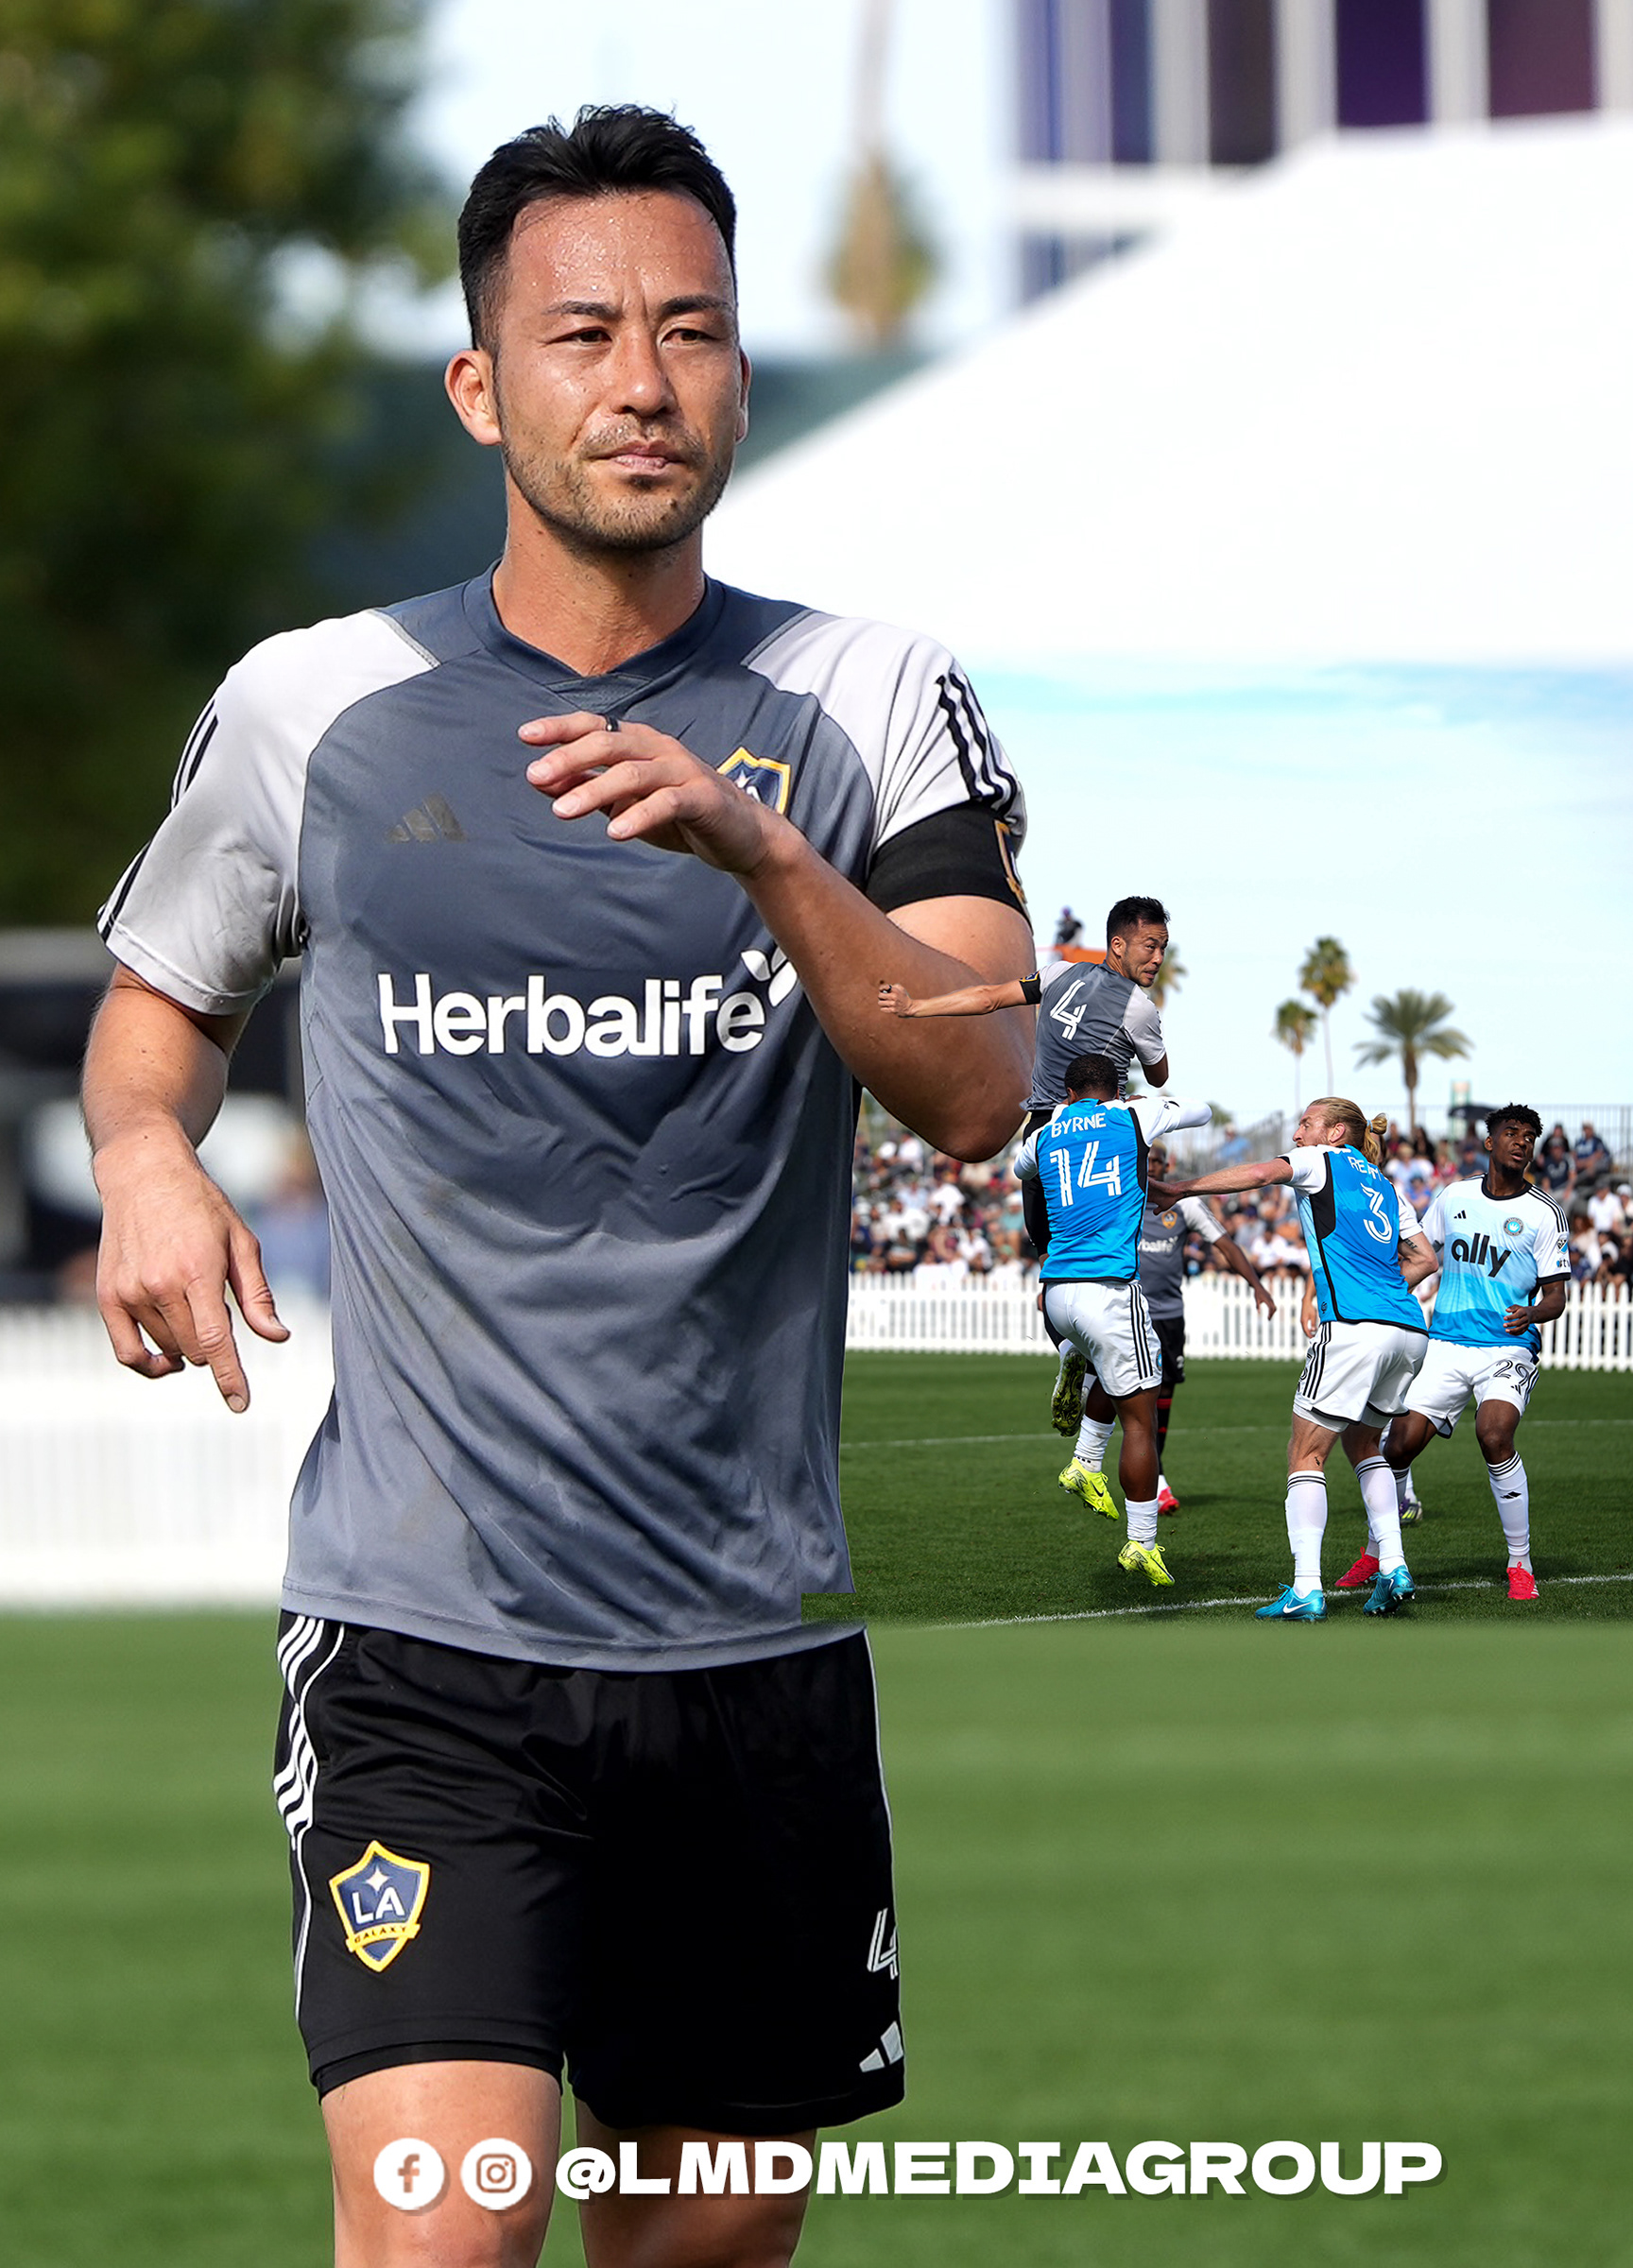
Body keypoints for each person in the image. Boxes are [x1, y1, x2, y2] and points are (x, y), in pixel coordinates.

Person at [81, 108, 1037, 2268]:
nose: (642, 380)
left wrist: (764, 852)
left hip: (754, 1645)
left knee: (709, 2244)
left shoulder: (872, 696)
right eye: (583, 334)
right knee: (444, 2225)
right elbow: (157, 1013)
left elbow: (978, 1084)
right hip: (432, 1640)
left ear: (743, 376)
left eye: (690, 330)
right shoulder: (313, 705)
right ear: (479, 385)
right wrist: (147, 1153)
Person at [879, 894, 1171, 1433]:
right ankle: (1103, 1397)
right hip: (1099, 1147)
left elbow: (990, 998)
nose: (1157, 958)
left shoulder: (1057, 974)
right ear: (1117, 944)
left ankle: (1068, 1352)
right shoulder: (1138, 1008)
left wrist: (915, 1006)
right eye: (1150, 946)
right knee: (1110, 1271)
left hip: (1042, 1139)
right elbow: (1158, 1076)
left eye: (1162, 949)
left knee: (1054, 1267)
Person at [1155, 1098, 1438, 1622]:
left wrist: (1183, 1189)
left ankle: (1307, 1587)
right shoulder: (1385, 1185)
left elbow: (1260, 1174)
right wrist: (1382, 1294)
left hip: (1352, 1328)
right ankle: (1394, 1566)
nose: (1297, 1134)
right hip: (1407, 1330)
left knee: (1305, 1453)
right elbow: (1425, 1257)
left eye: (1306, 1124)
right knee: (1364, 1445)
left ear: (1335, 1133)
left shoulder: (1319, 1160)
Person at [1011, 1055, 1217, 1589]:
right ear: (1117, 1088)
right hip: (1109, 1289)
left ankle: (1084, 1455)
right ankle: (1142, 1542)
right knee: (1141, 1419)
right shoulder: (1133, 1115)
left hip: (1058, 1290)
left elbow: (1020, 1170)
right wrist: (1142, 1105)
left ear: (1068, 1092)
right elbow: (1202, 1111)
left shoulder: (1047, 1132)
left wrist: (1063, 1119)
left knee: (1111, 1372)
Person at [1363, 1104, 1570, 1604]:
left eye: (1529, 1137)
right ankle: (1375, 1556)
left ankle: (1520, 1563)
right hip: (1446, 1344)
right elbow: (1419, 1255)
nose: (1521, 1142)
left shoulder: (1545, 1213)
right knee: (1397, 1448)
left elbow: (1557, 1298)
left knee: (1494, 1435)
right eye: (1512, 1133)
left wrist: (1532, 1313)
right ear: (1490, 1142)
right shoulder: (1454, 1197)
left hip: (1507, 1347)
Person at [1135, 1142, 1276, 1514]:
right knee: (1134, 1396)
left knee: (1162, 1394)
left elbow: (1225, 1244)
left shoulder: (1185, 1205)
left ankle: (1154, 1474)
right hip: (1128, 1311)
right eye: (1144, 1159)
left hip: (1168, 1316)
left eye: (1156, 1161)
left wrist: (1257, 1285)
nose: (1150, 1166)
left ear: (1168, 1166)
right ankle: (1149, 1477)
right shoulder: (1122, 1198)